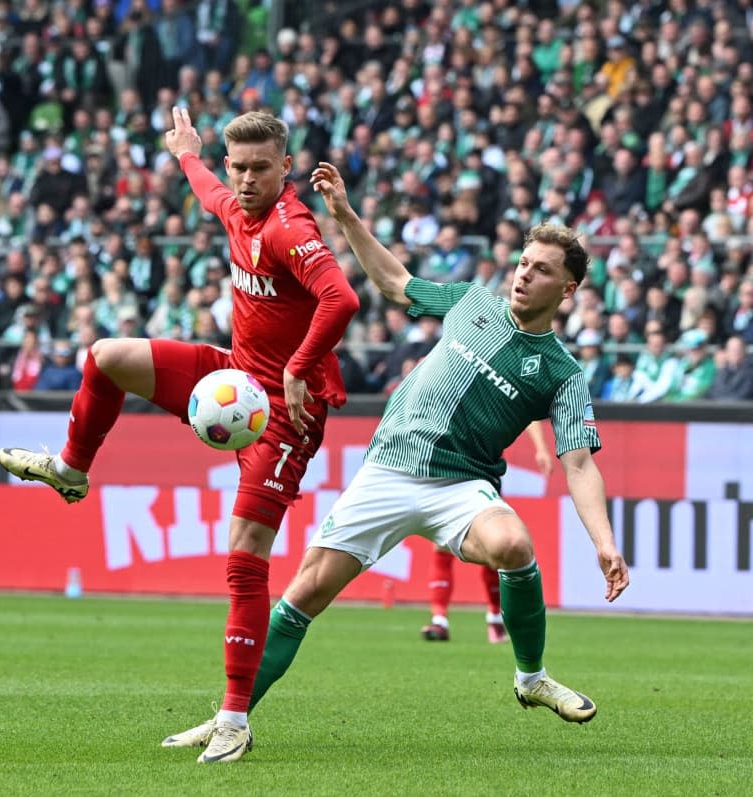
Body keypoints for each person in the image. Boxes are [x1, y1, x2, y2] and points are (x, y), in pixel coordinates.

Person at [0, 111, 360, 764]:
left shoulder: (289, 227)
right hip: (235, 377)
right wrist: (187, 154)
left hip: (287, 411)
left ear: (285, 167)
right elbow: (207, 189)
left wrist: (301, 367)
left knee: (244, 554)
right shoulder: (234, 203)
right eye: (237, 167)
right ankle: (74, 469)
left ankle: (232, 718)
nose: (246, 180)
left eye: (260, 168)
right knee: (106, 354)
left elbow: (342, 300)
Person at [239, 164, 630, 757]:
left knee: (516, 546)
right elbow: (397, 283)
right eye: (524, 263)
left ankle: (531, 679)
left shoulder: (561, 372)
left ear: (568, 290)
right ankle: (231, 717)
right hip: (388, 469)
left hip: (461, 486)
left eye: (543, 270)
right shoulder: (472, 302)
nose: (525, 275)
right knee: (303, 594)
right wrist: (345, 215)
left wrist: (603, 541)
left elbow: (578, 465)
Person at [421, 421, 554, 644]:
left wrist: (540, 448)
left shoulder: (496, 389)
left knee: (492, 546)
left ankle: (495, 617)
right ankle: (439, 619)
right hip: (451, 469)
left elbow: (529, 413)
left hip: (484, 473)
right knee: (440, 544)